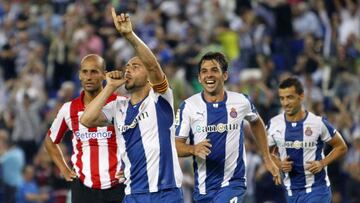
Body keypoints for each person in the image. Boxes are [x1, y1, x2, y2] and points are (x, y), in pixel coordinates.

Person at [80, 8, 183, 203]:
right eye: (127, 66)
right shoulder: (118, 108)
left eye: (135, 67)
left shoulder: (160, 99)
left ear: (147, 77)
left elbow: (153, 66)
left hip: (166, 193)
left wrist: (129, 36)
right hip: (133, 194)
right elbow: (86, 119)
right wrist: (109, 87)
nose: (128, 70)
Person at [174, 51, 281, 203]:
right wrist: (193, 149)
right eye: (204, 71)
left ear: (225, 75)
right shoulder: (188, 106)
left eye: (214, 70)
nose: (209, 75)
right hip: (203, 188)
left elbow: (256, 122)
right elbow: (176, 146)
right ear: (199, 78)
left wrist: (267, 157)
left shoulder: (241, 101)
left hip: (233, 183)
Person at [44, 54, 125, 203]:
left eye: (94, 72)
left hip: (118, 186)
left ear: (104, 75)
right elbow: (50, 141)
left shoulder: (121, 104)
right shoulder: (68, 109)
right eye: (84, 72)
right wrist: (64, 169)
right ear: (79, 75)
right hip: (83, 187)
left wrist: (132, 169)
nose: (88, 77)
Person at [267, 77, 348, 203]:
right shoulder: (274, 124)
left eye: (290, 97)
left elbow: (341, 147)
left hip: (317, 190)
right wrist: (279, 164)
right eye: (282, 98)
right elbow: (266, 153)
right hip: (291, 192)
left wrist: (322, 163)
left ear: (301, 96)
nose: (285, 103)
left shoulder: (318, 123)